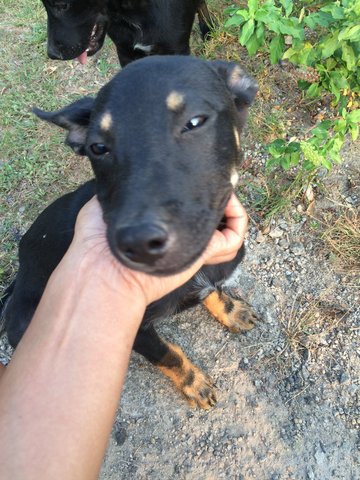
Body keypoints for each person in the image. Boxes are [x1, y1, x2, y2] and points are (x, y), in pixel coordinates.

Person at [0, 193, 248, 480]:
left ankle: (218, 301)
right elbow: (134, 329)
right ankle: (184, 374)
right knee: (25, 331)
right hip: (40, 289)